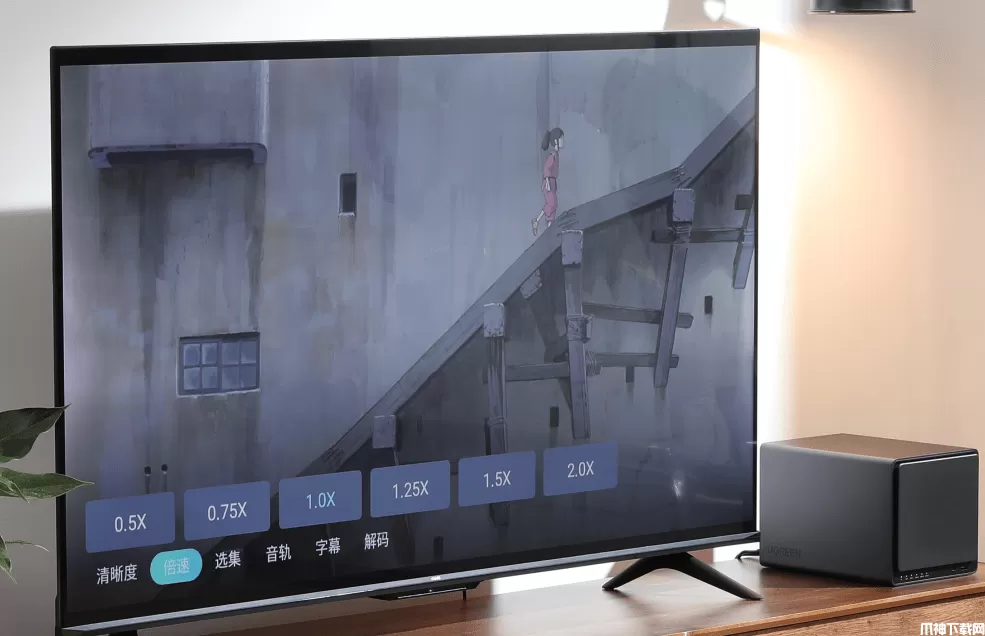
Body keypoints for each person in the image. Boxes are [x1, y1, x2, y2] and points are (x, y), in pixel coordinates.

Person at [532, 127, 564, 236]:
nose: (563, 141)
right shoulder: (553, 155)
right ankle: (546, 227)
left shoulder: (556, 154)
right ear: (556, 141)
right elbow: (547, 169)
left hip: (552, 182)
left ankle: (539, 222)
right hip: (549, 182)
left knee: (552, 205)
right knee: (551, 204)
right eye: (561, 138)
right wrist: (548, 183)